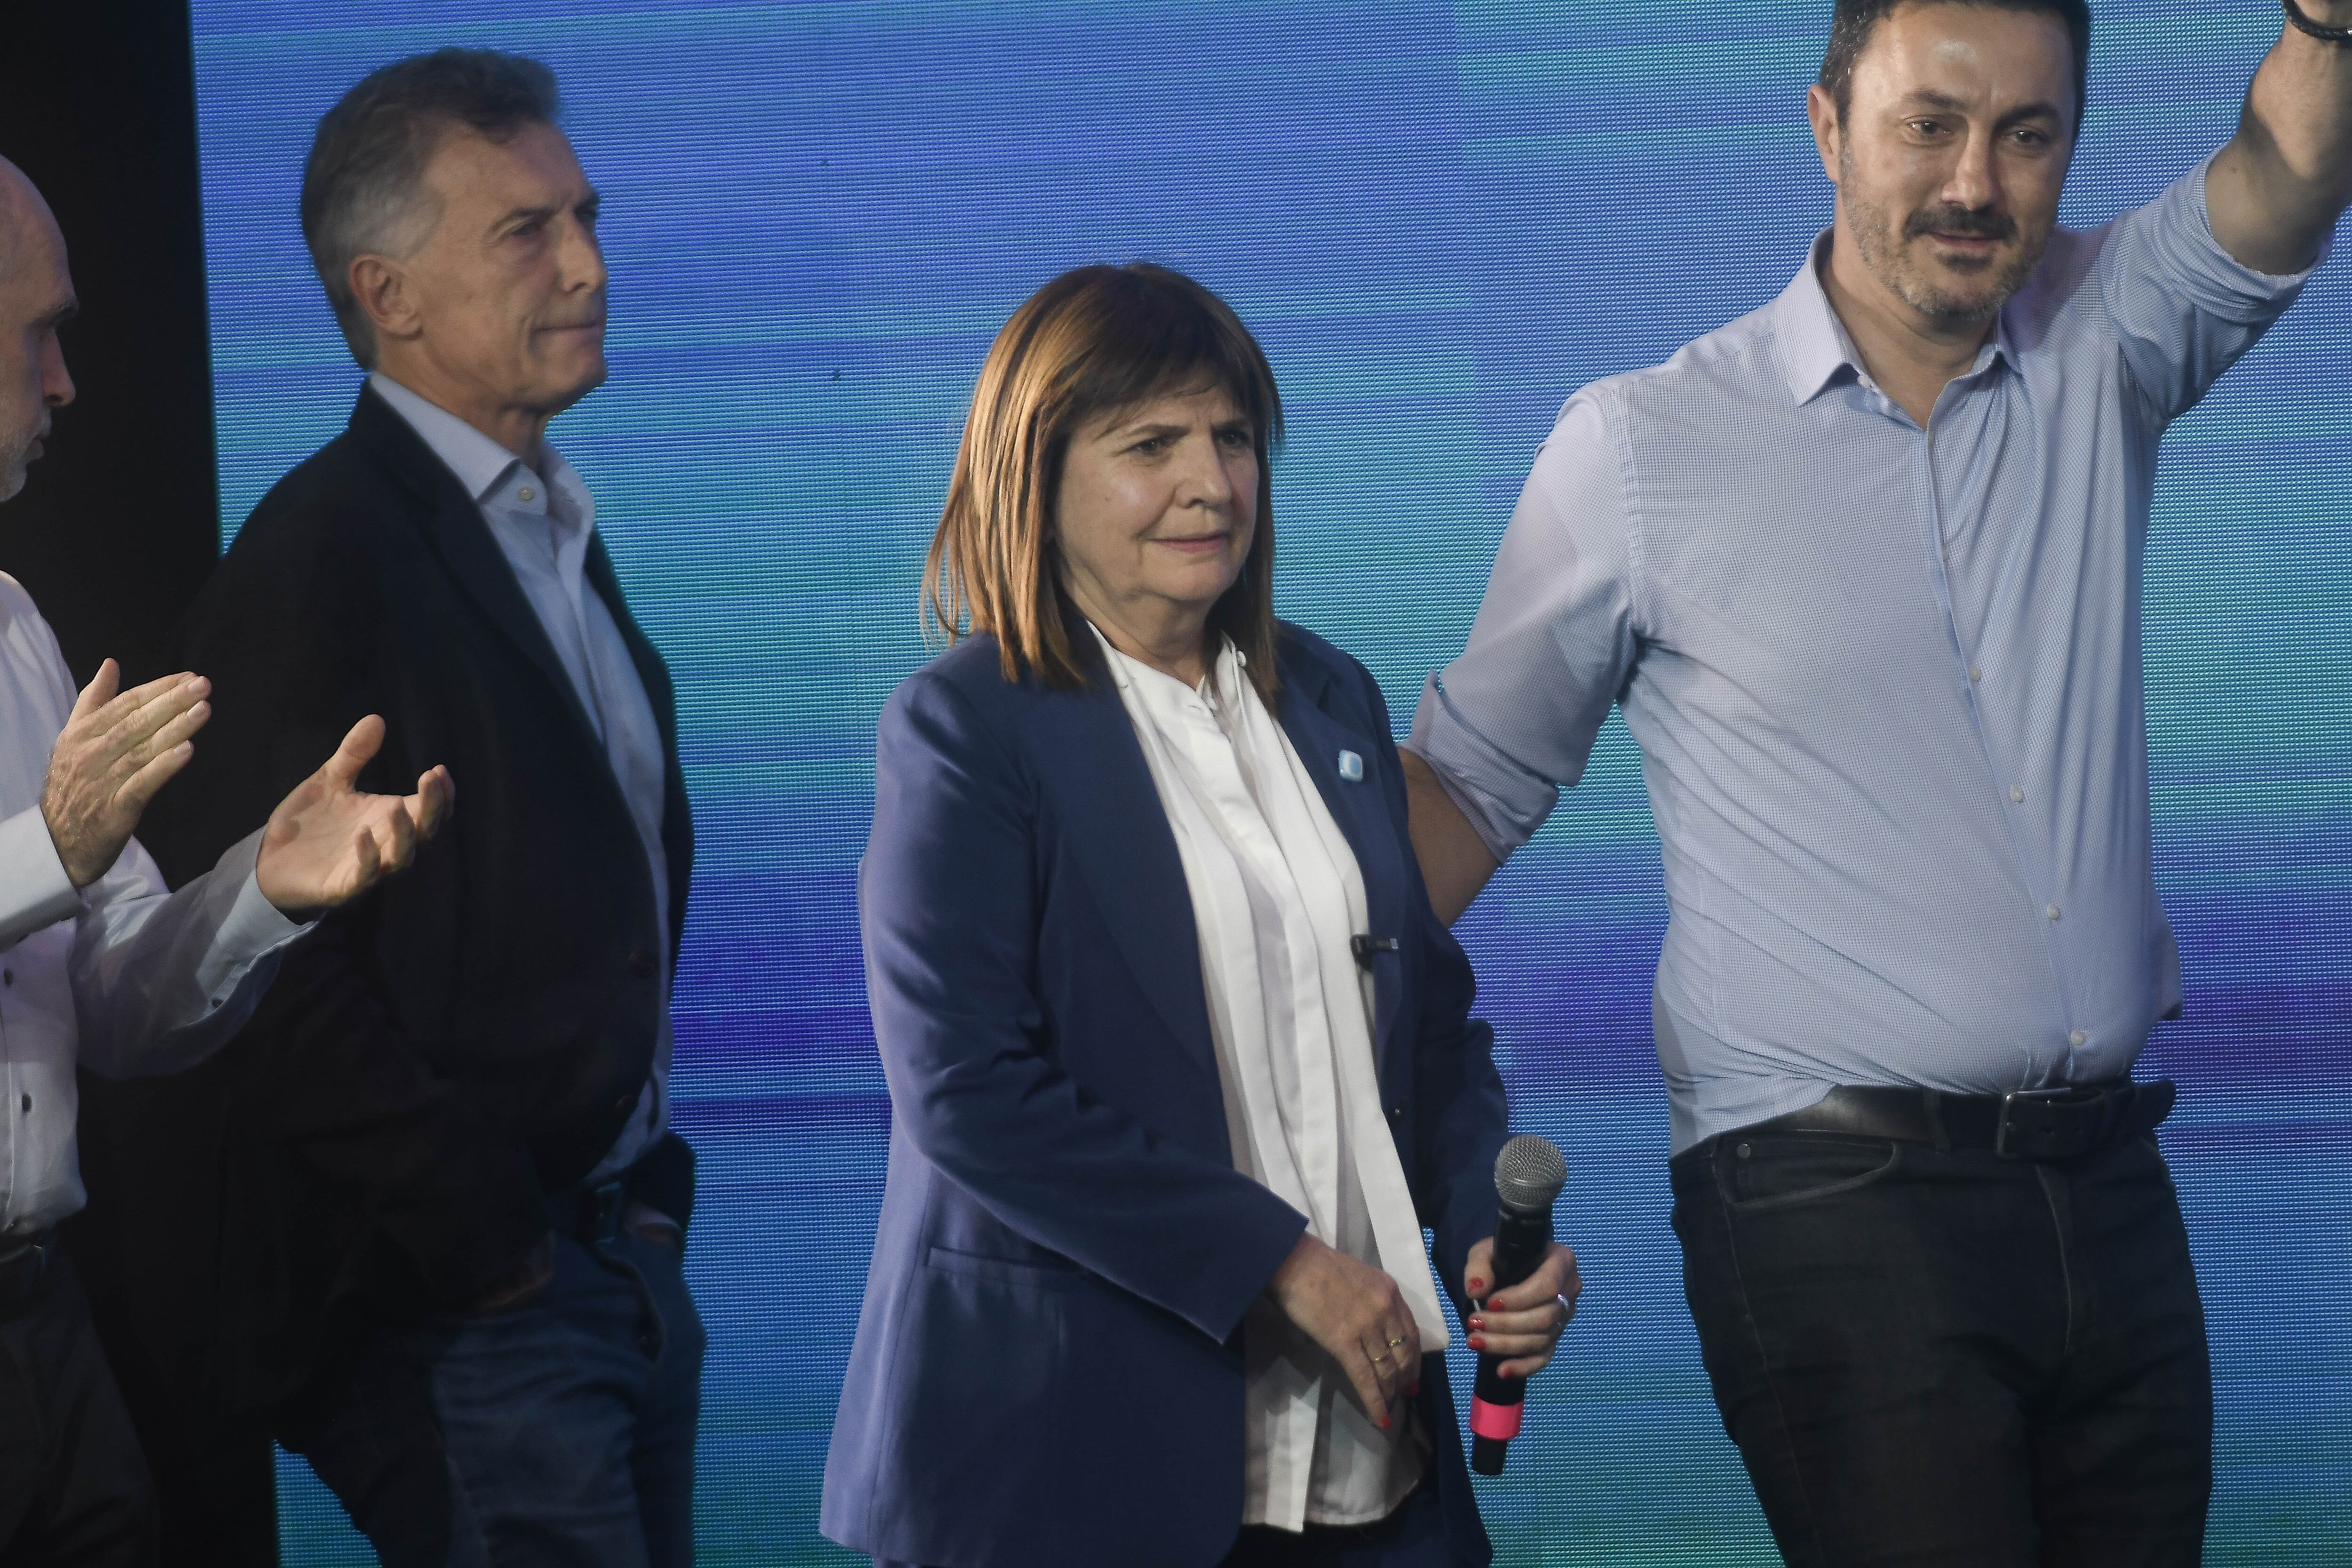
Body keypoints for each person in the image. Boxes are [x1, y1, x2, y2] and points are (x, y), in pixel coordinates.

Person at [1400, 0, 2352, 1562]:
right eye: (1931, 124)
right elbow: (1469, 790)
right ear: (1830, 126)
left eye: (2028, 134)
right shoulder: (1643, 446)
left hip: (2109, 1182)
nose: (1977, 180)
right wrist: (1242, 1018)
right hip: (1829, 1202)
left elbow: (2296, 160)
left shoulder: (2104, 334)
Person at [822, 263, 1581, 1568]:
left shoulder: (1328, 697)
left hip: (1369, 1460)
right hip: (1070, 1468)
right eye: (1151, 445)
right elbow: (968, 1090)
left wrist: (1479, 1235)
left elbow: (1432, 1034)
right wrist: (1283, 1264)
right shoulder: (965, 728)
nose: (1212, 483)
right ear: (1036, 474)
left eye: (1232, 437)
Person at [100, 48, 700, 1567]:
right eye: (526, 232)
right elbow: (255, 953)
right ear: (390, 294)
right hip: (468, 1316)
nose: (587, 264)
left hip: (604, 1261)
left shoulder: (550, 523)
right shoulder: (319, 555)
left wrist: (636, 1218)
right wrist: (486, 1241)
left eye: (586, 216)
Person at [0, 154, 451, 1565]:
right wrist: (45, 854)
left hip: (36, 1335)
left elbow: (119, 1011)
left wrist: (262, 886)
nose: (68, 381)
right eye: (35, 333)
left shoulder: (10, 622)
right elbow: (51, 874)